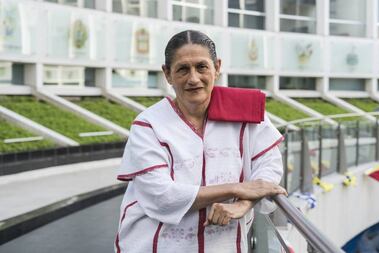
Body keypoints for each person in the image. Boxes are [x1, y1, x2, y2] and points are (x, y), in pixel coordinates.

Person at [115, 30, 287, 253]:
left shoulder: (245, 111)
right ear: (167, 74)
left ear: (217, 67)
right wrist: (238, 188)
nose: (193, 78)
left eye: (202, 66)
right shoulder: (149, 124)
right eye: (182, 69)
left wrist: (243, 204)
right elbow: (161, 196)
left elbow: (269, 167)